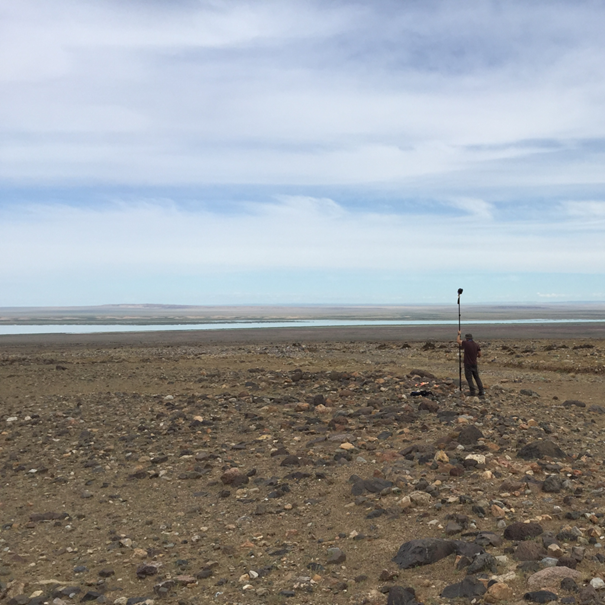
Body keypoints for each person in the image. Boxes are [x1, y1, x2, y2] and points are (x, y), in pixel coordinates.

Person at [456, 331, 484, 397]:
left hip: (467, 364)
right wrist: (476, 356)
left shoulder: (466, 343)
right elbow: (480, 354)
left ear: (467, 338)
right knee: (477, 377)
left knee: (469, 378)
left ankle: (472, 392)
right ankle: (481, 391)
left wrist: (459, 334)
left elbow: (458, 341)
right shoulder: (476, 344)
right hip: (474, 363)